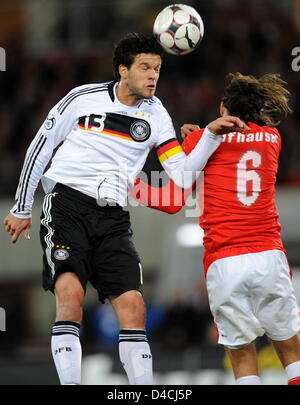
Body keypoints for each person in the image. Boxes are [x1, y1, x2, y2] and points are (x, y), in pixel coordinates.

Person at [2, 33, 248, 385]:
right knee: (70, 296)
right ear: (123, 70)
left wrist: (207, 136)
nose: (153, 75)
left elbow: (180, 175)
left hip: (113, 215)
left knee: (135, 307)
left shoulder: (157, 114)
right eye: (145, 67)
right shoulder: (81, 98)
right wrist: (22, 207)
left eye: (158, 68)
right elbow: (40, 148)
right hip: (67, 204)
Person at [131, 72, 300, 385]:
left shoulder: (201, 140)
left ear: (223, 108)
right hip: (269, 255)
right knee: (291, 348)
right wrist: (200, 142)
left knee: (241, 353)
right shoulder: (273, 138)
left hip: (226, 261)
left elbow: (177, 193)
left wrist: (135, 185)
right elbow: (237, 150)